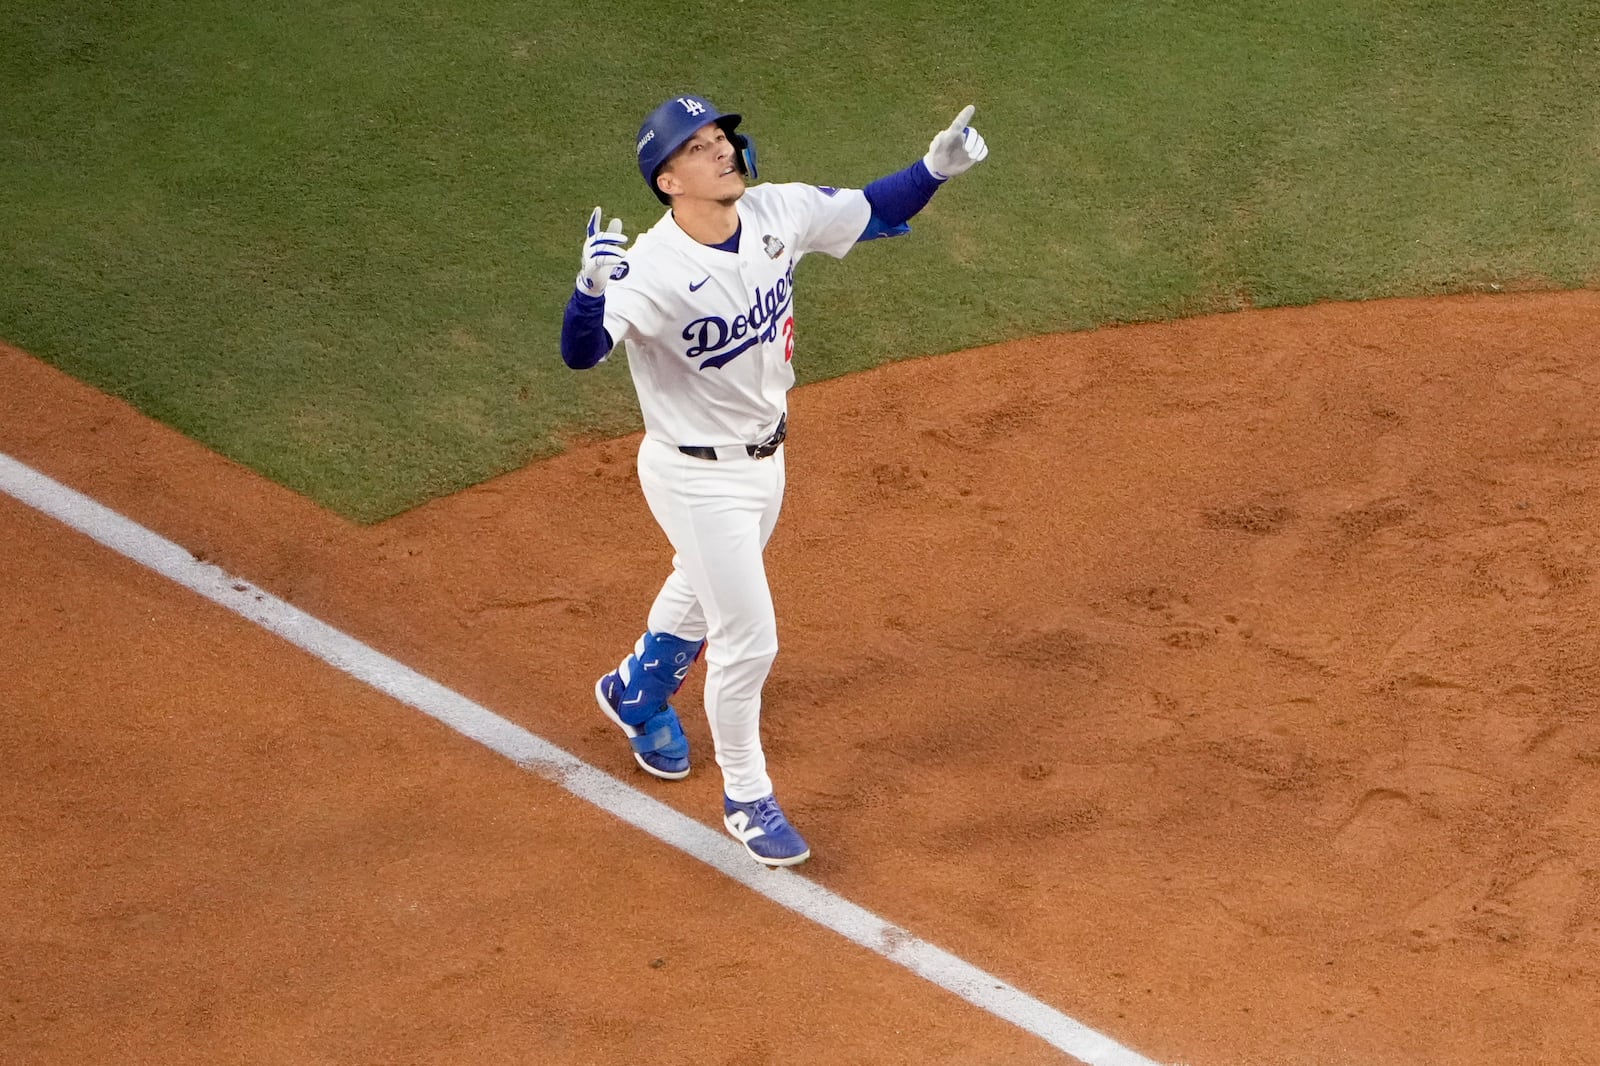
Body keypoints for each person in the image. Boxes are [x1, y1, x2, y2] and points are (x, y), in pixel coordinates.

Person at [559, 93, 988, 866]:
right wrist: (589, 291)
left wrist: (934, 171)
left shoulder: (775, 213)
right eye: (698, 145)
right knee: (748, 641)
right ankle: (747, 797)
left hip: (766, 460)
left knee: (704, 583)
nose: (722, 147)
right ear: (668, 181)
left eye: (722, 134)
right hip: (693, 476)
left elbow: (868, 208)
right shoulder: (649, 271)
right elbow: (582, 355)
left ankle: (636, 692)